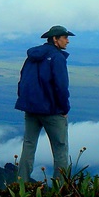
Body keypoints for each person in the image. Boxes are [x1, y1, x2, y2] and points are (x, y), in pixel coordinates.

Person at [14, 25, 74, 181]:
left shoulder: (32, 56)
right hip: (52, 111)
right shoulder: (57, 58)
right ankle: (59, 188)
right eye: (64, 37)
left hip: (31, 109)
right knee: (60, 148)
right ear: (55, 39)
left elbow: (23, 79)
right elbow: (61, 86)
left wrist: (25, 101)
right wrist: (64, 108)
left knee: (28, 145)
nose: (67, 41)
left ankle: (21, 184)